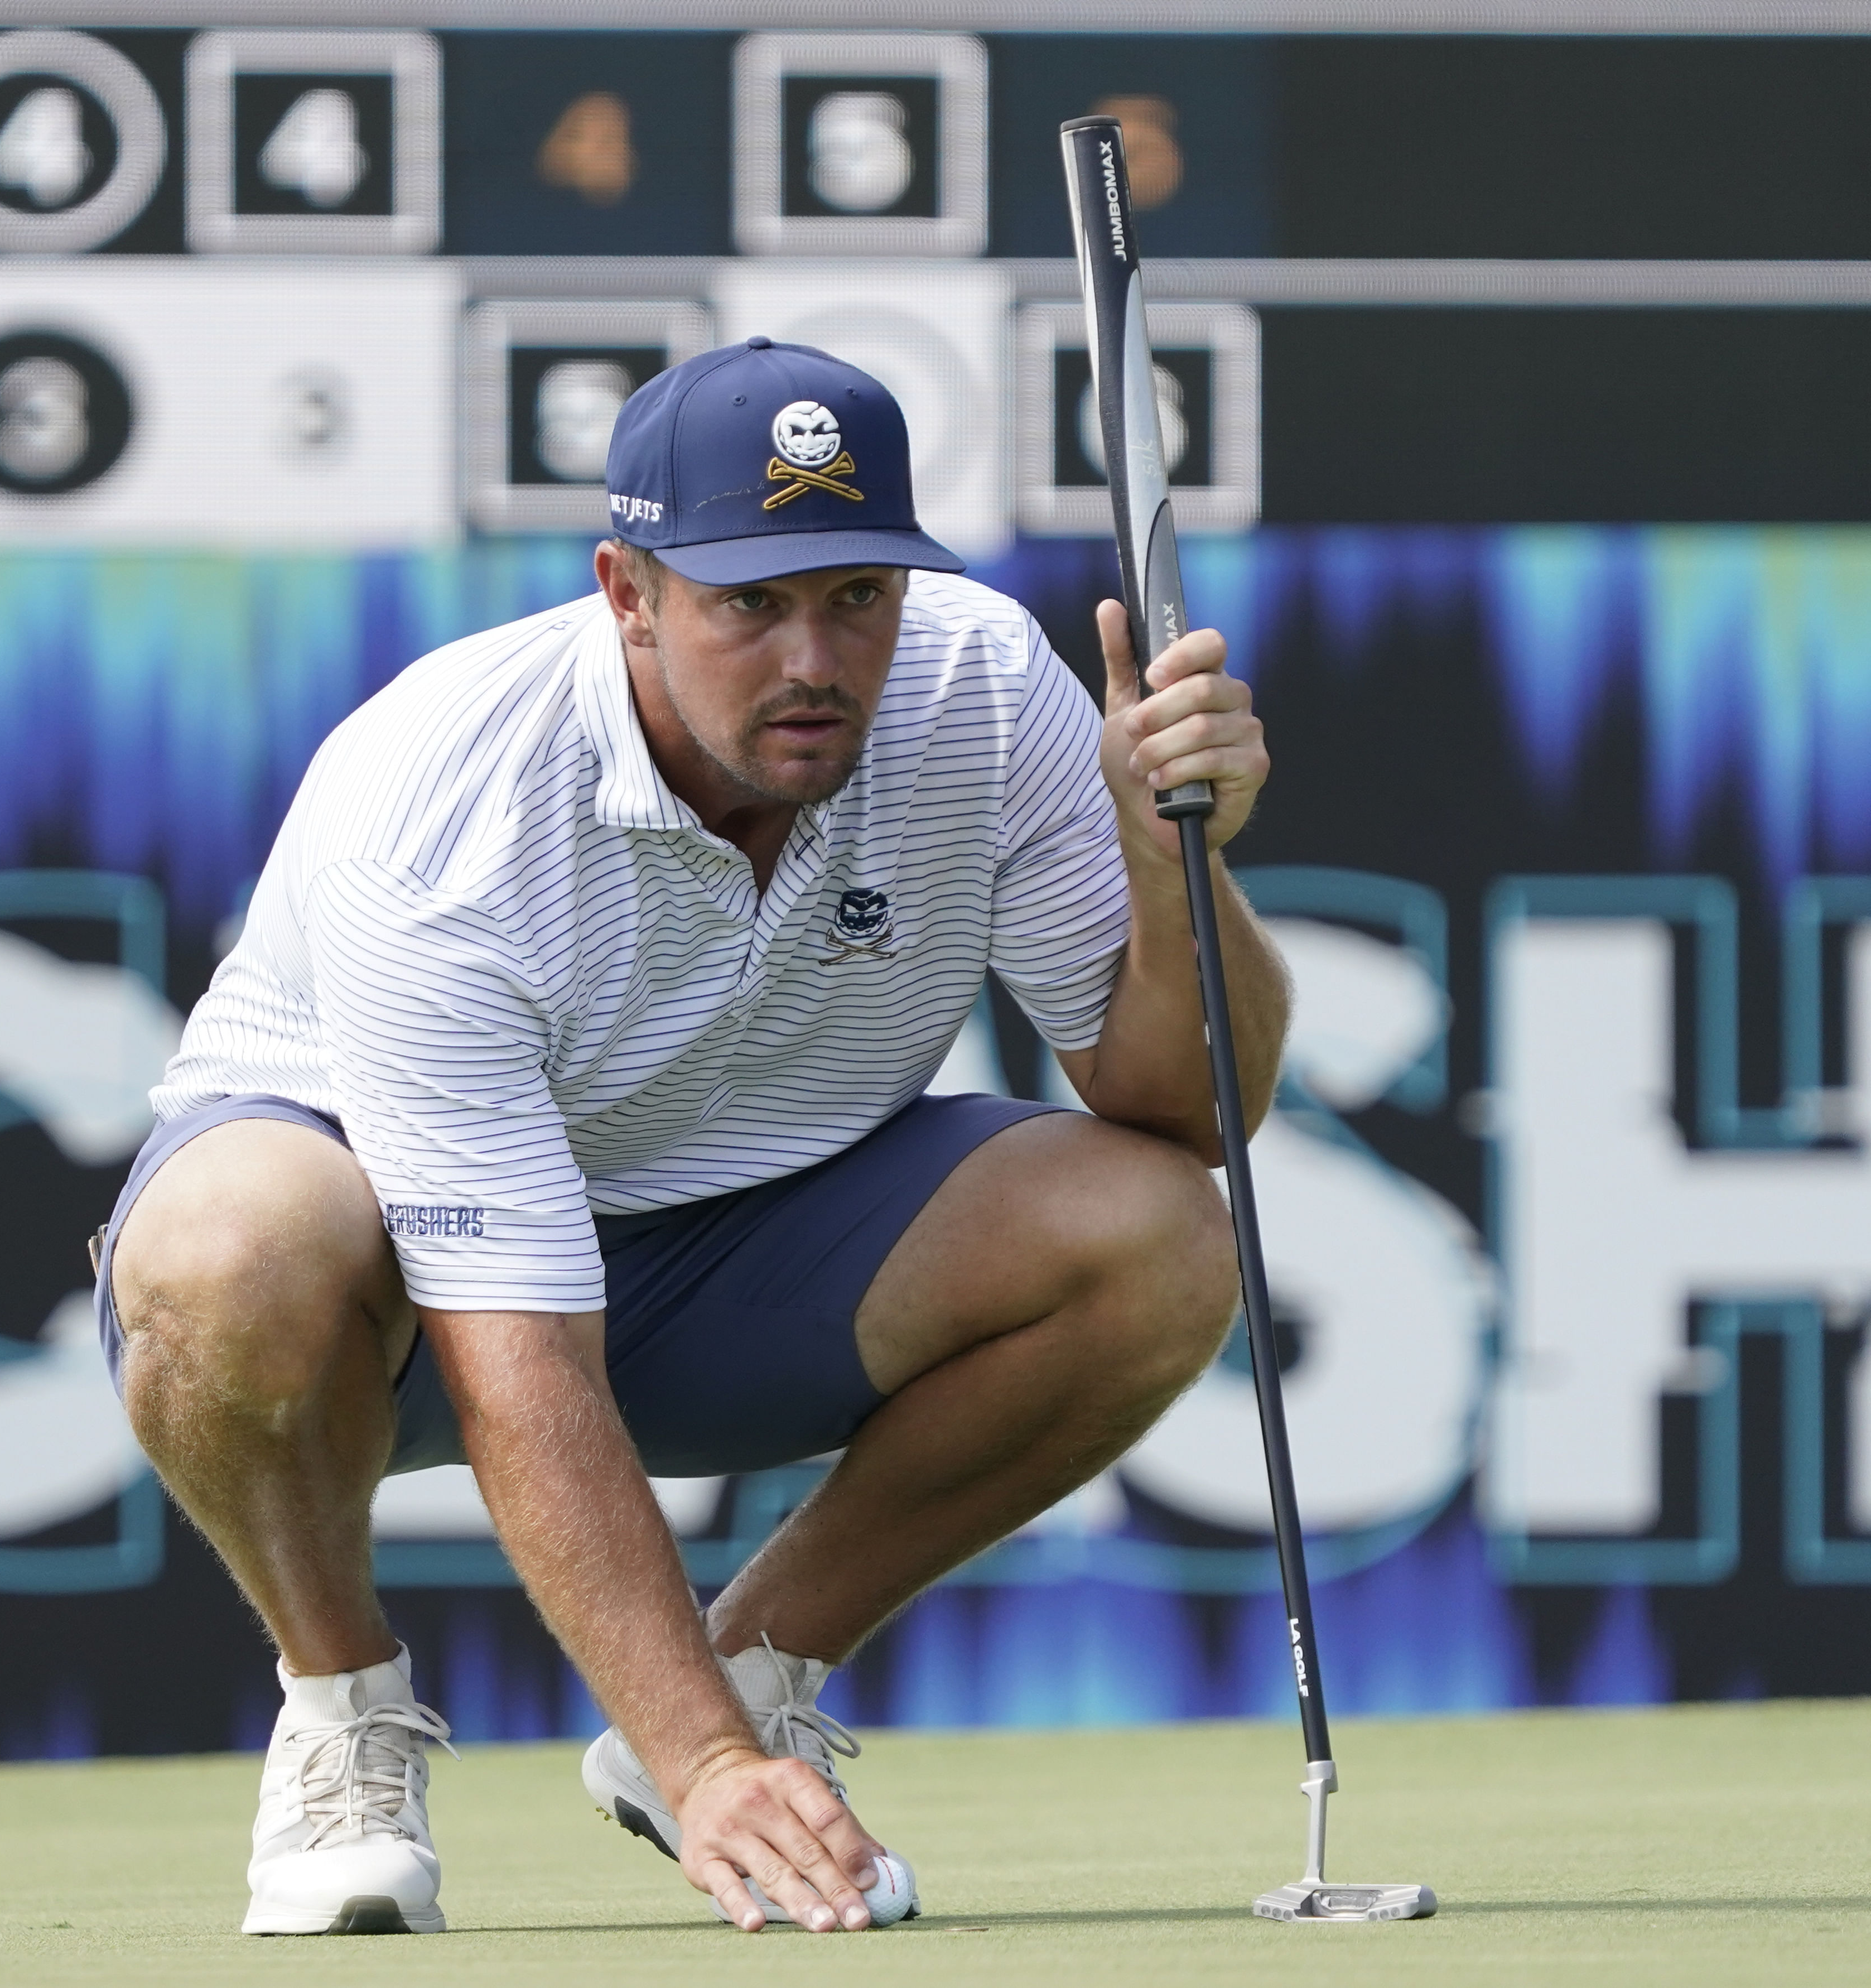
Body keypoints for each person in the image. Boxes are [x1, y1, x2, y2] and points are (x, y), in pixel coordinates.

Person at [97, 337, 1285, 1937]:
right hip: (378, 1300)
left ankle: (757, 1668)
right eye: (750, 603)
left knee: (1160, 1234)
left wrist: (1171, 858)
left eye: (858, 595)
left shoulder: (982, 686)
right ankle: (344, 1710)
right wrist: (706, 1757)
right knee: (226, 1247)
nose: (817, 657)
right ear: (628, 590)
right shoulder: (442, 804)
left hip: (742, 1258)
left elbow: (1192, 1109)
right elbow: (517, 1349)